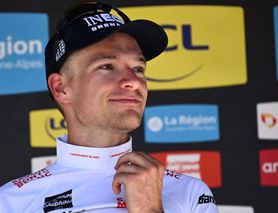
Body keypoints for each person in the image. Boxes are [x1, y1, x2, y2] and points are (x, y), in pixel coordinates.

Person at [0, 1, 219, 212]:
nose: (133, 81)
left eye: (138, 68)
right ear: (60, 88)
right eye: (106, 66)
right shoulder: (11, 202)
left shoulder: (189, 193)